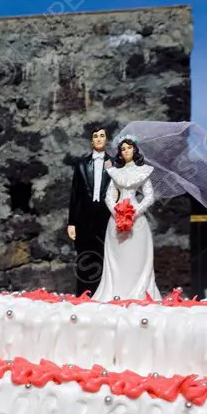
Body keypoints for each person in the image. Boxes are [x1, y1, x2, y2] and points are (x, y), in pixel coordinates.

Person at [91, 137, 162, 301]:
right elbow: (109, 196)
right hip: (116, 219)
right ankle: (117, 290)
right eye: (123, 149)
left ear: (135, 150)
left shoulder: (143, 171)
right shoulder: (116, 172)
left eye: (129, 148)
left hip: (136, 219)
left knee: (136, 256)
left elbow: (149, 196)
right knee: (118, 256)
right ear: (120, 153)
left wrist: (134, 212)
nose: (126, 151)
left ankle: (139, 290)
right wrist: (117, 212)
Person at [67, 125, 113, 296]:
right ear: (91, 140)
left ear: (106, 139)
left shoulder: (114, 164)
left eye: (102, 135)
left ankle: (103, 294)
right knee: (84, 256)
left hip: (106, 217)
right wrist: (72, 222)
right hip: (84, 218)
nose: (99, 139)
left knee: (104, 256)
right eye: (96, 136)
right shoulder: (81, 165)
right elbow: (75, 195)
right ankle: (84, 294)